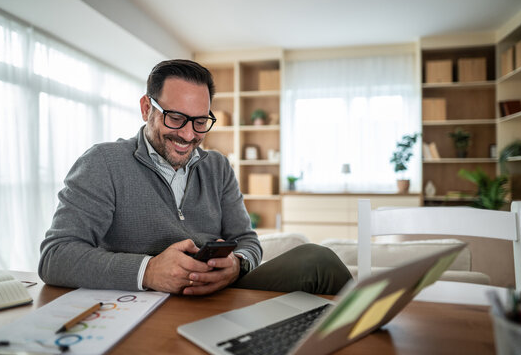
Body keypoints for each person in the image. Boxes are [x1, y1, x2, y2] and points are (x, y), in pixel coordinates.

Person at [38, 59, 352, 296]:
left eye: (200, 121)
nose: (189, 135)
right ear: (147, 107)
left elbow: (247, 240)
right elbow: (55, 256)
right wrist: (147, 271)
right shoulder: (102, 163)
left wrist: (237, 265)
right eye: (176, 118)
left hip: (223, 295)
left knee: (317, 259)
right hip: (146, 302)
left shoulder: (218, 167)